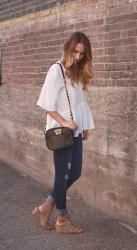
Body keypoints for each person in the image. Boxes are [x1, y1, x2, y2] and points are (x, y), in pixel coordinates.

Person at [32, 31, 95, 234]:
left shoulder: (76, 71)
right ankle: (62, 219)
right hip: (61, 131)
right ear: (68, 48)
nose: (77, 56)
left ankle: (45, 208)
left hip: (75, 131)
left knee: (75, 171)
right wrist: (65, 122)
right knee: (62, 175)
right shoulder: (56, 70)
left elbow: (80, 103)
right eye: (75, 51)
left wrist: (84, 125)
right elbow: (46, 104)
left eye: (81, 54)